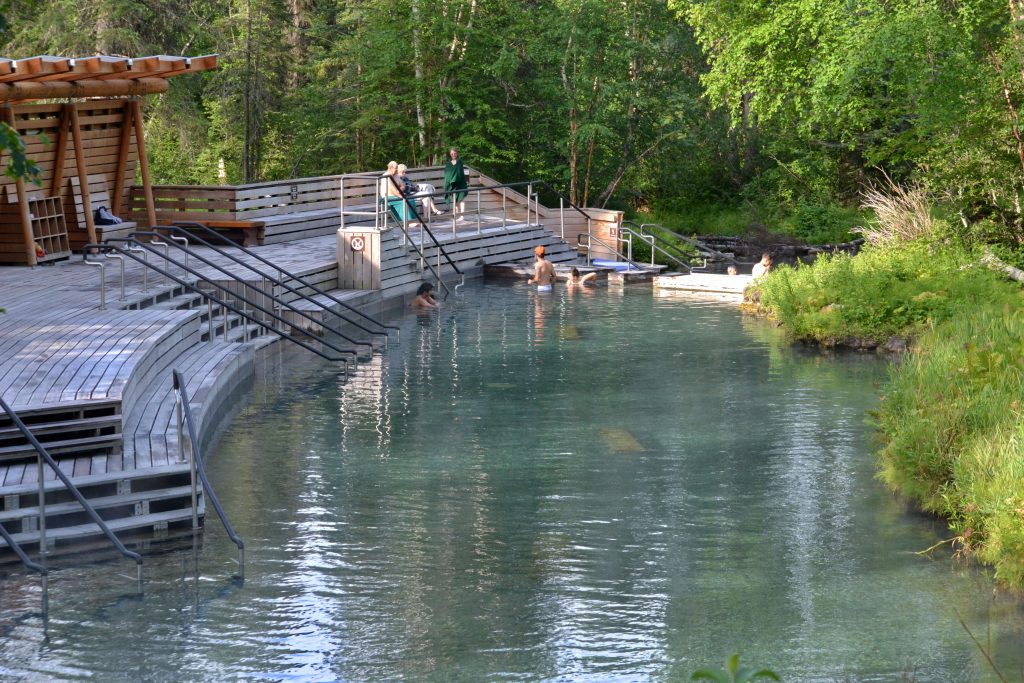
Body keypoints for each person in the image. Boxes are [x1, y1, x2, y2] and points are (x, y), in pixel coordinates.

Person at [443, 147, 469, 221]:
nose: (453, 155)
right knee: (455, 199)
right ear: (450, 154)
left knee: (461, 199)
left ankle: (462, 216)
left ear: (457, 153)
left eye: (454, 153)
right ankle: (456, 215)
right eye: (452, 153)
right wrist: (449, 182)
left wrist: (455, 178)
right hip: (452, 184)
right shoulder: (448, 163)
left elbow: (459, 172)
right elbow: (447, 173)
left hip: (460, 183)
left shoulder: (459, 161)